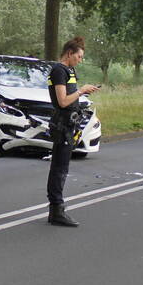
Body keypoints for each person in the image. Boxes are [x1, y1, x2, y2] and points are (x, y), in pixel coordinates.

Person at [46, 36, 99, 227]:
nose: (80, 60)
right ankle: (56, 209)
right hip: (62, 124)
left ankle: (57, 209)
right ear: (69, 53)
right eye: (79, 56)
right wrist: (81, 91)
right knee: (59, 169)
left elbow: (71, 97)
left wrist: (82, 95)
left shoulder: (69, 70)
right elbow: (62, 101)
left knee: (63, 168)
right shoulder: (59, 71)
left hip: (70, 125)